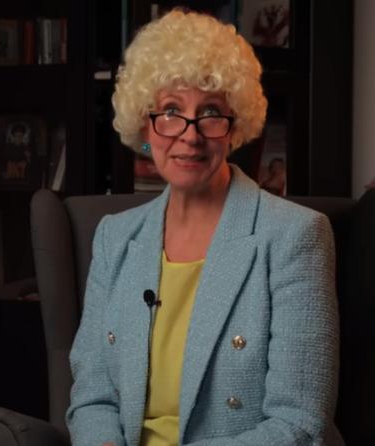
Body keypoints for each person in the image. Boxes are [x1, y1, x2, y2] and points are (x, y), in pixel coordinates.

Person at [67, 9, 342, 446]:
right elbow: (92, 398)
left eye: (210, 111)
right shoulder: (114, 237)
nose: (190, 135)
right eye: (171, 111)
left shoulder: (295, 236)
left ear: (235, 126)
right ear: (144, 125)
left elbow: (299, 424)